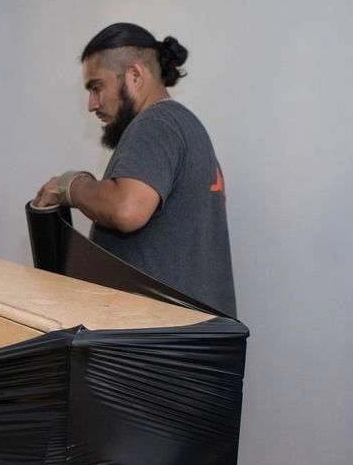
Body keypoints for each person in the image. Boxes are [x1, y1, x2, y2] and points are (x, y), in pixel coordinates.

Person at [32, 23, 236, 317]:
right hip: (191, 334)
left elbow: (126, 209)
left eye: (96, 87)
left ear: (135, 75)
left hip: (164, 337)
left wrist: (69, 186)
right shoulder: (184, 126)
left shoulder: (155, 124)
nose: (91, 104)